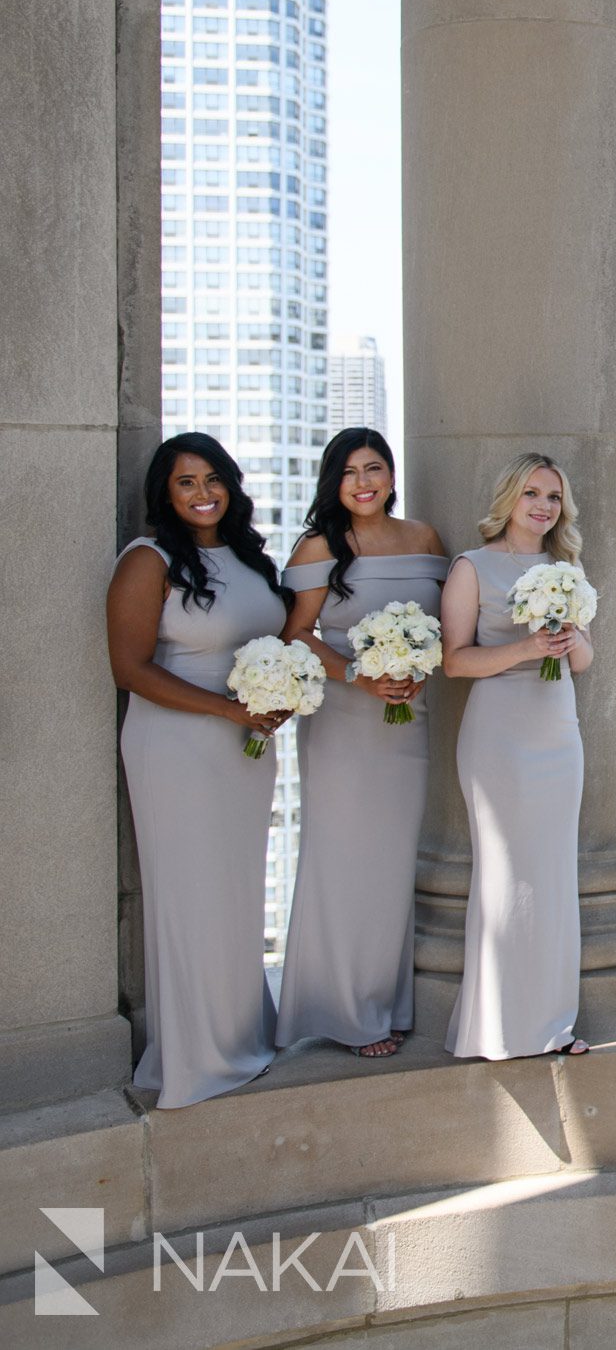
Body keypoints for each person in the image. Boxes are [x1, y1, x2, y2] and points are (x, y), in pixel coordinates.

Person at [107, 434, 290, 1106]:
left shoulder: (247, 558)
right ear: (166, 493)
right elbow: (130, 668)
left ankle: (240, 1037)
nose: (202, 493)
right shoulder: (149, 560)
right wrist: (228, 710)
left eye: (212, 479)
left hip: (244, 745)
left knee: (236, 889)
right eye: (186, 483)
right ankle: (194, 1061)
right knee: (190, 893)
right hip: (176, 747)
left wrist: (277, 697)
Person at [275, 429, 448, 1059]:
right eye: (349, 471)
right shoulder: (319, 545)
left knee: (391, 863)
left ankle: (385, 1002)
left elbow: (443, 624)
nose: (363, 481)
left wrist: (415, 665)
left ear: (392, 474)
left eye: (374, 467)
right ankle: (347, 1014)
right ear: (334, 482)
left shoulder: (425, 539)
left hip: (409, 719)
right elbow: (296, 634)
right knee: (343, 859)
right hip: (345, 724)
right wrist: (359, 674)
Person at [440, 453, 593, 1060]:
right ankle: (497, 1029)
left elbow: (584, 661)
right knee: (504, 878)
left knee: (553, 876)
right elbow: (455, 660)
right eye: (532, 493)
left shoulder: (567, 567)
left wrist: (572, 640)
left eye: (553, 497)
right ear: (509, 498)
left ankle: (552, 1025)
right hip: (498, 733)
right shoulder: (470, 567)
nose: (543, 506)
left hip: (557, 729)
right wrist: (527, 646)